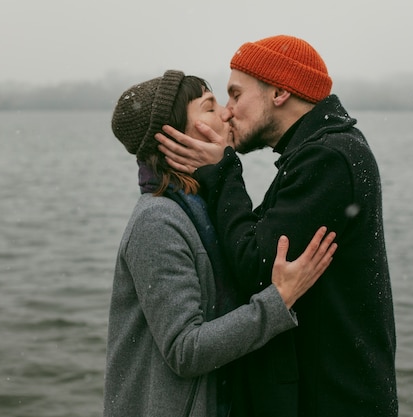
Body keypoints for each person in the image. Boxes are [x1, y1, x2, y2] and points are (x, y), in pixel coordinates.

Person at [155, 36, 398, 416]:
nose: (228, 111)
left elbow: (258, 268)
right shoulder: (322, 149)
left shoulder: (328, 158)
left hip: (334, 401)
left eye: (235, 95)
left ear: (280, 92)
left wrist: (223, 171)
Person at [103, 70, 338, 417]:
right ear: (175, 136)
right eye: (210, 108)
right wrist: (279, 299)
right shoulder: (157, 221)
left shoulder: (204, 207)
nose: (227, 113)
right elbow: (185, 350)